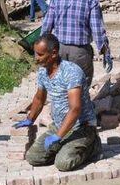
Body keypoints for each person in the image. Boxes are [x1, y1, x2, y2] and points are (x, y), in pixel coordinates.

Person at [13, 34, 101, 171]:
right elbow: (39, 98)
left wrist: (58, 136)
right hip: (59, 125)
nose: (36, 58)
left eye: (40, 54)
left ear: (53, 53)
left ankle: (93, 146)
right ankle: (64, 146)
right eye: (35, 54)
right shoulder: (43, 72)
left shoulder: (71, 72)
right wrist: (30, 119)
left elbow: (75, 109)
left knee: (63, 163)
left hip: (81, 128)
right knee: (33, 157)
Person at [41, 0, 112, 83]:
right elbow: (97, 30)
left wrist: (43, 49)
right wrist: (106, 52)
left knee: (62, 85)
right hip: (80, 52)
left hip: (59, 50)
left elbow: (47, 25)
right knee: (80, 88)